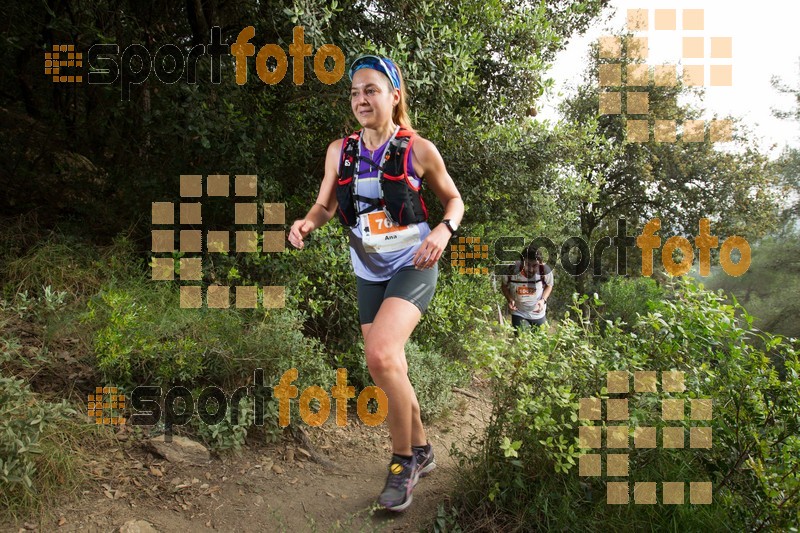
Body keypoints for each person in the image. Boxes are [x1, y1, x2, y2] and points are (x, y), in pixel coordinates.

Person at [287, 54, 464, 512]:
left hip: (414, 261)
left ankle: (403, 463)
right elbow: (325, 206)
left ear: (394, 96)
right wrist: (307, 223)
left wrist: (444, 232)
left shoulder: (418, 149)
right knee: (390, 368)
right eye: (354, 92)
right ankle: (423, 448)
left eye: (371, 90)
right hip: (368, 269)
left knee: (381, 355)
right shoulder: (339, 150)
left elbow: (454, 201)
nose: (361, 99)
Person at [500, 245, 553, 334]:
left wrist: (543, 300)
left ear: (540, 263)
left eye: (535, 265)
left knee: (541, 343)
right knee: (522, 341)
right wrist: (510, 299)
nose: (531, 270)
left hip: (538, 314)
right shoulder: (510, 270)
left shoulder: (545, 271)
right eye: (527, 265)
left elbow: (549, 285)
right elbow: (504, 286)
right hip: (519, 313)